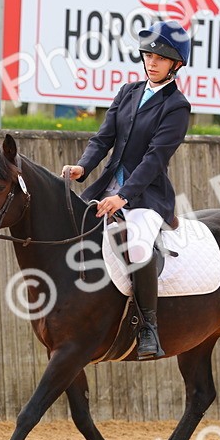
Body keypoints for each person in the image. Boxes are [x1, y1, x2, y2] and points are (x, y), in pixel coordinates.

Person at [62, 21, 192, 360]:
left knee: (136, 245)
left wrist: (124, 197)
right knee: (70, 225)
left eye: (161, 58)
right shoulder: (127, 92)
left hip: (147, 196)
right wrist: (82, 167)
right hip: (106, 185)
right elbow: (103, 139)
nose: (152, 62)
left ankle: (149, 327)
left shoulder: (177, 107)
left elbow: (155, 159)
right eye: (149, 55)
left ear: (175, 65)